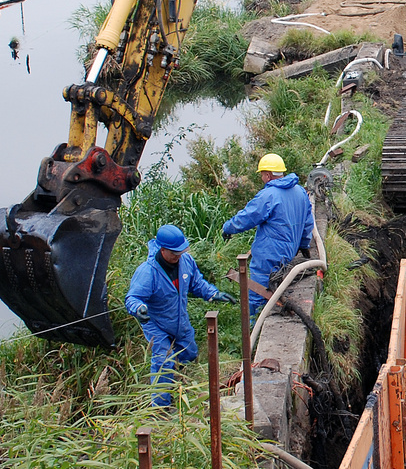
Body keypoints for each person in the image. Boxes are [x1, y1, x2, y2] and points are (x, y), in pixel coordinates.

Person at [125, 223, 233, 407]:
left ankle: (179, 386)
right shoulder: (148, 271)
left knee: (189, 354)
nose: (177, 255)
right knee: (163, 362)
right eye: (174, 252)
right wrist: (139, 309)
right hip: (155, 323)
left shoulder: (186, 261)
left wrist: (213, 294)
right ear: (162, 248)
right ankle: (161, 408)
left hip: (179, 320)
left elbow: (197, 283)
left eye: (180, 251)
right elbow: (133, 298)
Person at [221, 153, 315, 323]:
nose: (262, 178)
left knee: (257, 292)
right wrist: (303, 244)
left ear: (268, 174)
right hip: (289, 251)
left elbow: (247, 217)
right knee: (276, 284)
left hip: (270, 253)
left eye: (262, 174)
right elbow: (308, 223)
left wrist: (228, 228)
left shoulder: (269, 195)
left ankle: (252, 330)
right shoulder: (300, 192)